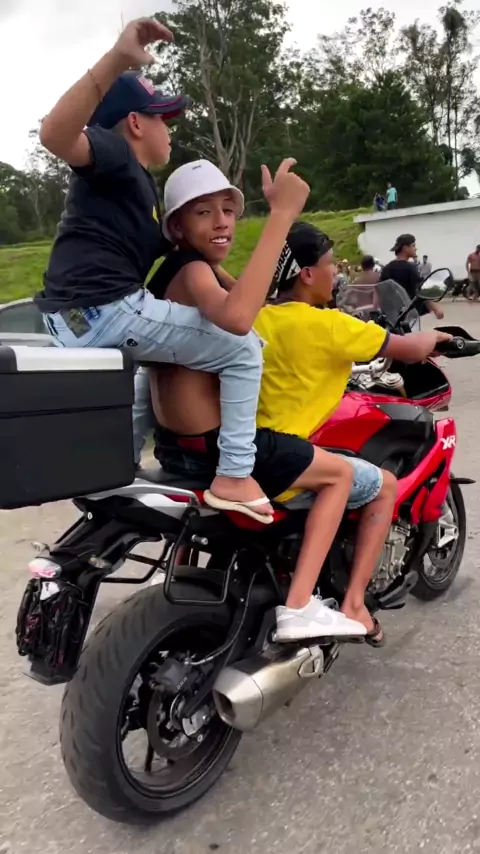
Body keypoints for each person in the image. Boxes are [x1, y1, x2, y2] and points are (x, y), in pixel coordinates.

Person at [148, 164, 451, 643]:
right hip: (245, 452)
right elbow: (409, 348)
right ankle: (346, 605)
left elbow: (239, 296)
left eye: (228, 210)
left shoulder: (256, 313)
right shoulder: (325, 324)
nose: (335, 274)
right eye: (330, 265)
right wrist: (439, 337)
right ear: (308, 273)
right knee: (372, 482)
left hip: (180, 445)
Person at [35, 17, 310, 524]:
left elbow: (181, 248)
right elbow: (55, 134)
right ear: (136, 123)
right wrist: (118, 58)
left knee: (149, 358)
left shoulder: (132, 194)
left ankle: (114, 465)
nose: (169, 130)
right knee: (244, 349)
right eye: (163, 118)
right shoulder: (116, 156)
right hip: (105, 307)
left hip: (67, 318)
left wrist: (229, 278)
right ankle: (234, 474)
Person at [381, 234, 444, 320]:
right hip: (408, 315)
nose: (415, 248)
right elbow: (421, 290)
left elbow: (380, 291)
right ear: (405, 248)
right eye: (413, 245)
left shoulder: (387, 268)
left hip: (393, 317)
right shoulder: (410, 267)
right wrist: (436, 308)